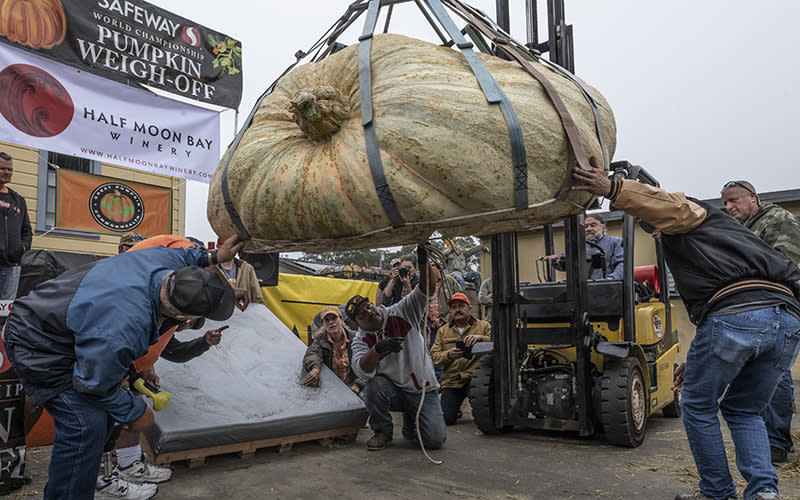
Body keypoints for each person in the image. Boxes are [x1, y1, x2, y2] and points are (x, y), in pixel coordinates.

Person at [573, 158, 800, 500]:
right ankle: (764, 493)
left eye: (656, 228)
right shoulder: (740, 239)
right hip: (785, 321)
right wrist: (694, 360)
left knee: (696, 404)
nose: (658, 234)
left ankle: (716, 493)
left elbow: (673, 206)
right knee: (744, 408)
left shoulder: (698, 216)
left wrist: (613, 189)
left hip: (738, 315)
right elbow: (728, 311)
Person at [2, 235, 247, 499]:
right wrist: (136, 411)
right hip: (38, 343)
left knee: (104, 418)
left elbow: (185, 255)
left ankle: (93, 480)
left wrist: (214, 257)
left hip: (61, 321)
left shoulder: (159, 261)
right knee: (85, 424)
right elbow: (93, 384)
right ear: (182, 318)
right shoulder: (127, 325)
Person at [722, 179, 800, 465]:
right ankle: (769, 441)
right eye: (725, 203)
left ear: (753, 197)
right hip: (759, 309)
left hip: (780, 307)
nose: (729, 207)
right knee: (763, 376)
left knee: (774, 377)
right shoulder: (745, 230)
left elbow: (786, 264)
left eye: (734, 200)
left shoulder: (776, 218)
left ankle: (777, 443)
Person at [347, 247, 446, 452]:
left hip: (421, 387)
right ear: (357, 323)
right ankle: (382, 431)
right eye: (361, 314)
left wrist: (423, 259)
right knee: (373, 386)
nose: (368, 312)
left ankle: (412, 420)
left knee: (435, 441)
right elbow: (362, 371)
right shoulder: (361, 340)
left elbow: (426, 290)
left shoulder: (401, 310)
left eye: (367, 306)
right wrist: (377, 349)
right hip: (393, 390)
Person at [430, 292, 491, 425]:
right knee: (446, 419)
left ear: (469, 308)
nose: (457, 310)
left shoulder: (484, 326)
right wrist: (448, 355)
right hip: (452, 380)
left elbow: (496, 343)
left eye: (461, 306)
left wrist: (480, 338)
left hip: (475, 378)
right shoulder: (443, 331)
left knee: (486, 415)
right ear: (450, 312)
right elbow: (434, 357)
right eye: (454, 307)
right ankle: (454, 409)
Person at [301, 306, 366, 396]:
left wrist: (358, 384)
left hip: (355, 388)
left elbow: (368, 365)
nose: (331, 322)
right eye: (327, 320)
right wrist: (315, 368)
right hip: (331, 390)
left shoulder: (356, 338)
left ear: (341, 320)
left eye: (334, 318)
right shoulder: (320, 339)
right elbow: (313, 353)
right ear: (323, 324)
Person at [546, 214, 623, 280]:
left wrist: (611, 280)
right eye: (586, 226)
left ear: (603, 228)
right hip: (584, 289)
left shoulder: (615, 242)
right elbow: (569, 265)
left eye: (593, 225)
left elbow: (622, 264)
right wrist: (556, 261)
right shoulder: (580, 246)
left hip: (608, 289)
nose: (589, 229)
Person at [0, 152, 31, 300]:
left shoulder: (18, 200)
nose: (6, 172)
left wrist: (22, 248)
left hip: (12, 267)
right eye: (2, 168)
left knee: (5, 311)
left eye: (9, 169)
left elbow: (27, 232)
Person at [215, 238, 264, 304]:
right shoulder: (211, 269)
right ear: (218, 247)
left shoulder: (247, 268)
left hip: (243, 313)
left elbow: (258, 299)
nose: (231, 250)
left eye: (234, 246)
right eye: (227, 247)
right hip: (219, 313)